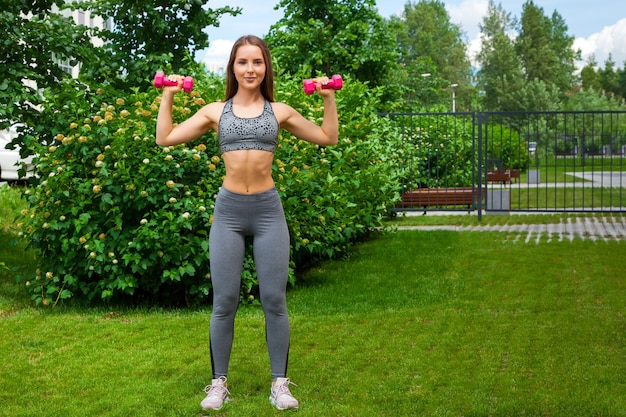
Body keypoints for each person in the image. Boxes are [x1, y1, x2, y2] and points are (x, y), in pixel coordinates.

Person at [155, 35, 339, 411]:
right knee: (224, 302)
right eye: (243, 62)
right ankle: (217, 384)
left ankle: (280, 385)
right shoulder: (214, 112)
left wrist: (328, 98)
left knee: (274, 300)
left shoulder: (280, 111)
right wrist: (168, 95)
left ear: (265, 67)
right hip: (229, 213)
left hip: (269, 212)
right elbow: (165, 138)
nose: (250, 69)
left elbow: (327, 137)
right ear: (233, 68)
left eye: (257, 62)